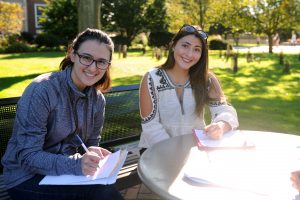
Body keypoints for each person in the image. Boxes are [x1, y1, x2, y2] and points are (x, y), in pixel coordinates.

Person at [1, 28, 124, 200]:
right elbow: (28, 156)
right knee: (101, 192)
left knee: (103, 188)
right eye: (86, 58)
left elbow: (89, 144)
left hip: (66, 173)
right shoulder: (42, 90)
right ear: (72, 54)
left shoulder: (97, 100)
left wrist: (92, 153)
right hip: (25, 178)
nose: (93, 68)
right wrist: (76, 164)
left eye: (102, 62)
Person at [138, 24, 239, 149]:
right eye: (185, 46)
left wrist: (221, 125)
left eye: (197, 49)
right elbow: (150, 126)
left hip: (195, 150)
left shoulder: (207, 80)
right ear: (174, 45)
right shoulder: (151, 78)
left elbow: (225, 111)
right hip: (157, 150)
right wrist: (175, 151)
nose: (190, 54)